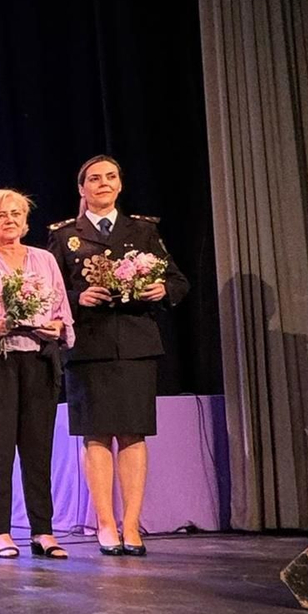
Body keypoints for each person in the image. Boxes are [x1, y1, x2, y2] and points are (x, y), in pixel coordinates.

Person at [47, 155, 189, 557]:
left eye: (110, 177)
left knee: (132, 433)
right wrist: (78, 297)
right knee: (96, 434)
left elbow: (177, 281)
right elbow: (50, 293)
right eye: (94, 178)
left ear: (120, 185)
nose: (103, 183)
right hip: (88, 346)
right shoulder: (63, 236)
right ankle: (105, 524)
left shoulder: (142, 230)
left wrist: (162, 291)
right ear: (82, 189)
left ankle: (131, 526)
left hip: (135, 343)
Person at [0, 189, 75, 560]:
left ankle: (43, 531)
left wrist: (57, 327)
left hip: (37, 358)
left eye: (17, 214)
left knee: (39, 450)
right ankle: (2, 532)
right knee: (0, 451)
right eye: (2, 215)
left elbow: (62, 310)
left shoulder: (43, 259)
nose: (11, 220)